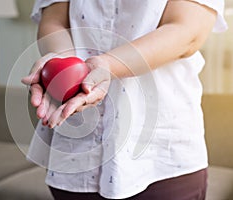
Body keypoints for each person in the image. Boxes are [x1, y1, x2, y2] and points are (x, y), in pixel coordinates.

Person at [22, 0, 227, 199]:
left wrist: (107, 66)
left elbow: (187, 32)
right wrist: (62, 65)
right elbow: (54, 21)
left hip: (160, 154)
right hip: (76, 150)